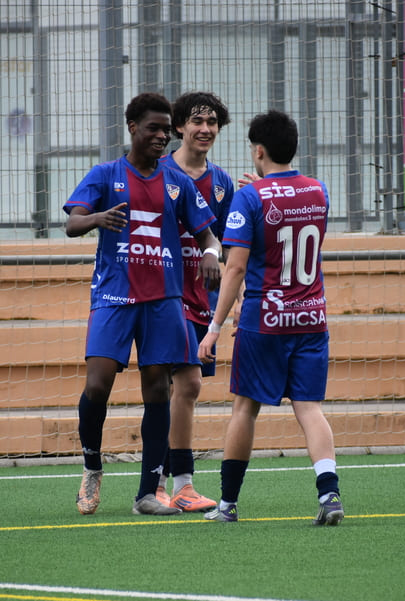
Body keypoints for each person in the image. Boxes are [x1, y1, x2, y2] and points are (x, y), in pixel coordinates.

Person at [64, 92, 223, 516]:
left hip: (163, 300)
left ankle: (148, 493)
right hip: (114, 295)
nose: (160, 135)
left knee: (158, 389)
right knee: (97, 384)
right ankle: (92, 467)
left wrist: (210, 254)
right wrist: (97, 218)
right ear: (132, 127)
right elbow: (71, 222)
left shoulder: (178, 183)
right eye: (152, 128)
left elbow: (208, 234)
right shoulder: (105, 174)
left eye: (165, 128)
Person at [197, 109, 343, 525]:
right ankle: (329, 494)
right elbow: (289, 216)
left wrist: (213, 328)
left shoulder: (249, 197)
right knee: (310, 408)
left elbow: (236, 267)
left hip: (265, 320)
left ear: (258, 151)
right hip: (312, 317)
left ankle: (227, 505)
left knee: (245, 408)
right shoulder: (320, 191)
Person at [155, 91, 234, 512]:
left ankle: (159, 481)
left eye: (212, 123)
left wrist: (254, 199)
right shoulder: (158, 171)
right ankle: (182, 483)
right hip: (165, 295)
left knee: (176, 389)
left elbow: (229, 241)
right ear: (180, 126)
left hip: (205, 297)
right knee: (188, 384)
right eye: (196, 122)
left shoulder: (222, 183)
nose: (205, 129)